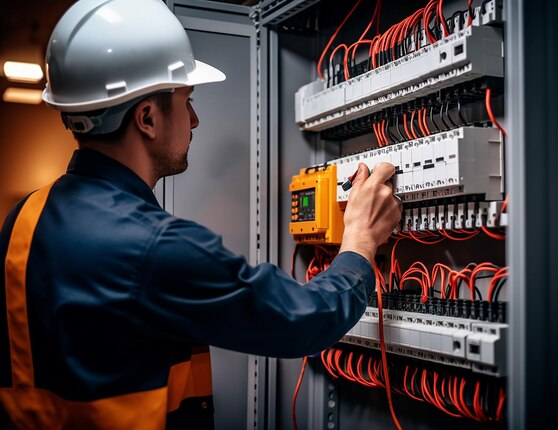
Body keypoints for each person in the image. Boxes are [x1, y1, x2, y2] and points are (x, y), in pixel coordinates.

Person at [0, 0, 402, 429]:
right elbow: (303, 319)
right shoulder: (151, 247)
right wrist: (360, 239)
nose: (193, 119)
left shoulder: (26, 216)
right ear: (147, 118)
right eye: (186, 100)